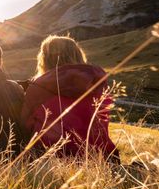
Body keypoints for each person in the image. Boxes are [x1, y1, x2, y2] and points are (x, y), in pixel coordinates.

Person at [21, 35, 120, 164]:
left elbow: (25, 126)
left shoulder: (38, 87)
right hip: (101, 158)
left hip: (49, 161)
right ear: (78, 54)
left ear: (44, 59)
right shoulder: (98, 82)